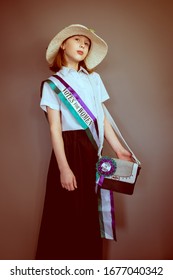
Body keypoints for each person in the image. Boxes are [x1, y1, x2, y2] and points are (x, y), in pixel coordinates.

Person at [36, 24, 132, 260]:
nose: (83, 45)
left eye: (87, 43)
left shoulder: (94, 79)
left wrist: (119, 149)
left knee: (89, 210)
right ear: (63, 45)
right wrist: (64, 168)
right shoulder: (52, 84)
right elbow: (54, 129)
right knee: (66, 211)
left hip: (91, 150)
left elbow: (102, 118)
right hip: (67, 150)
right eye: (77, 40)